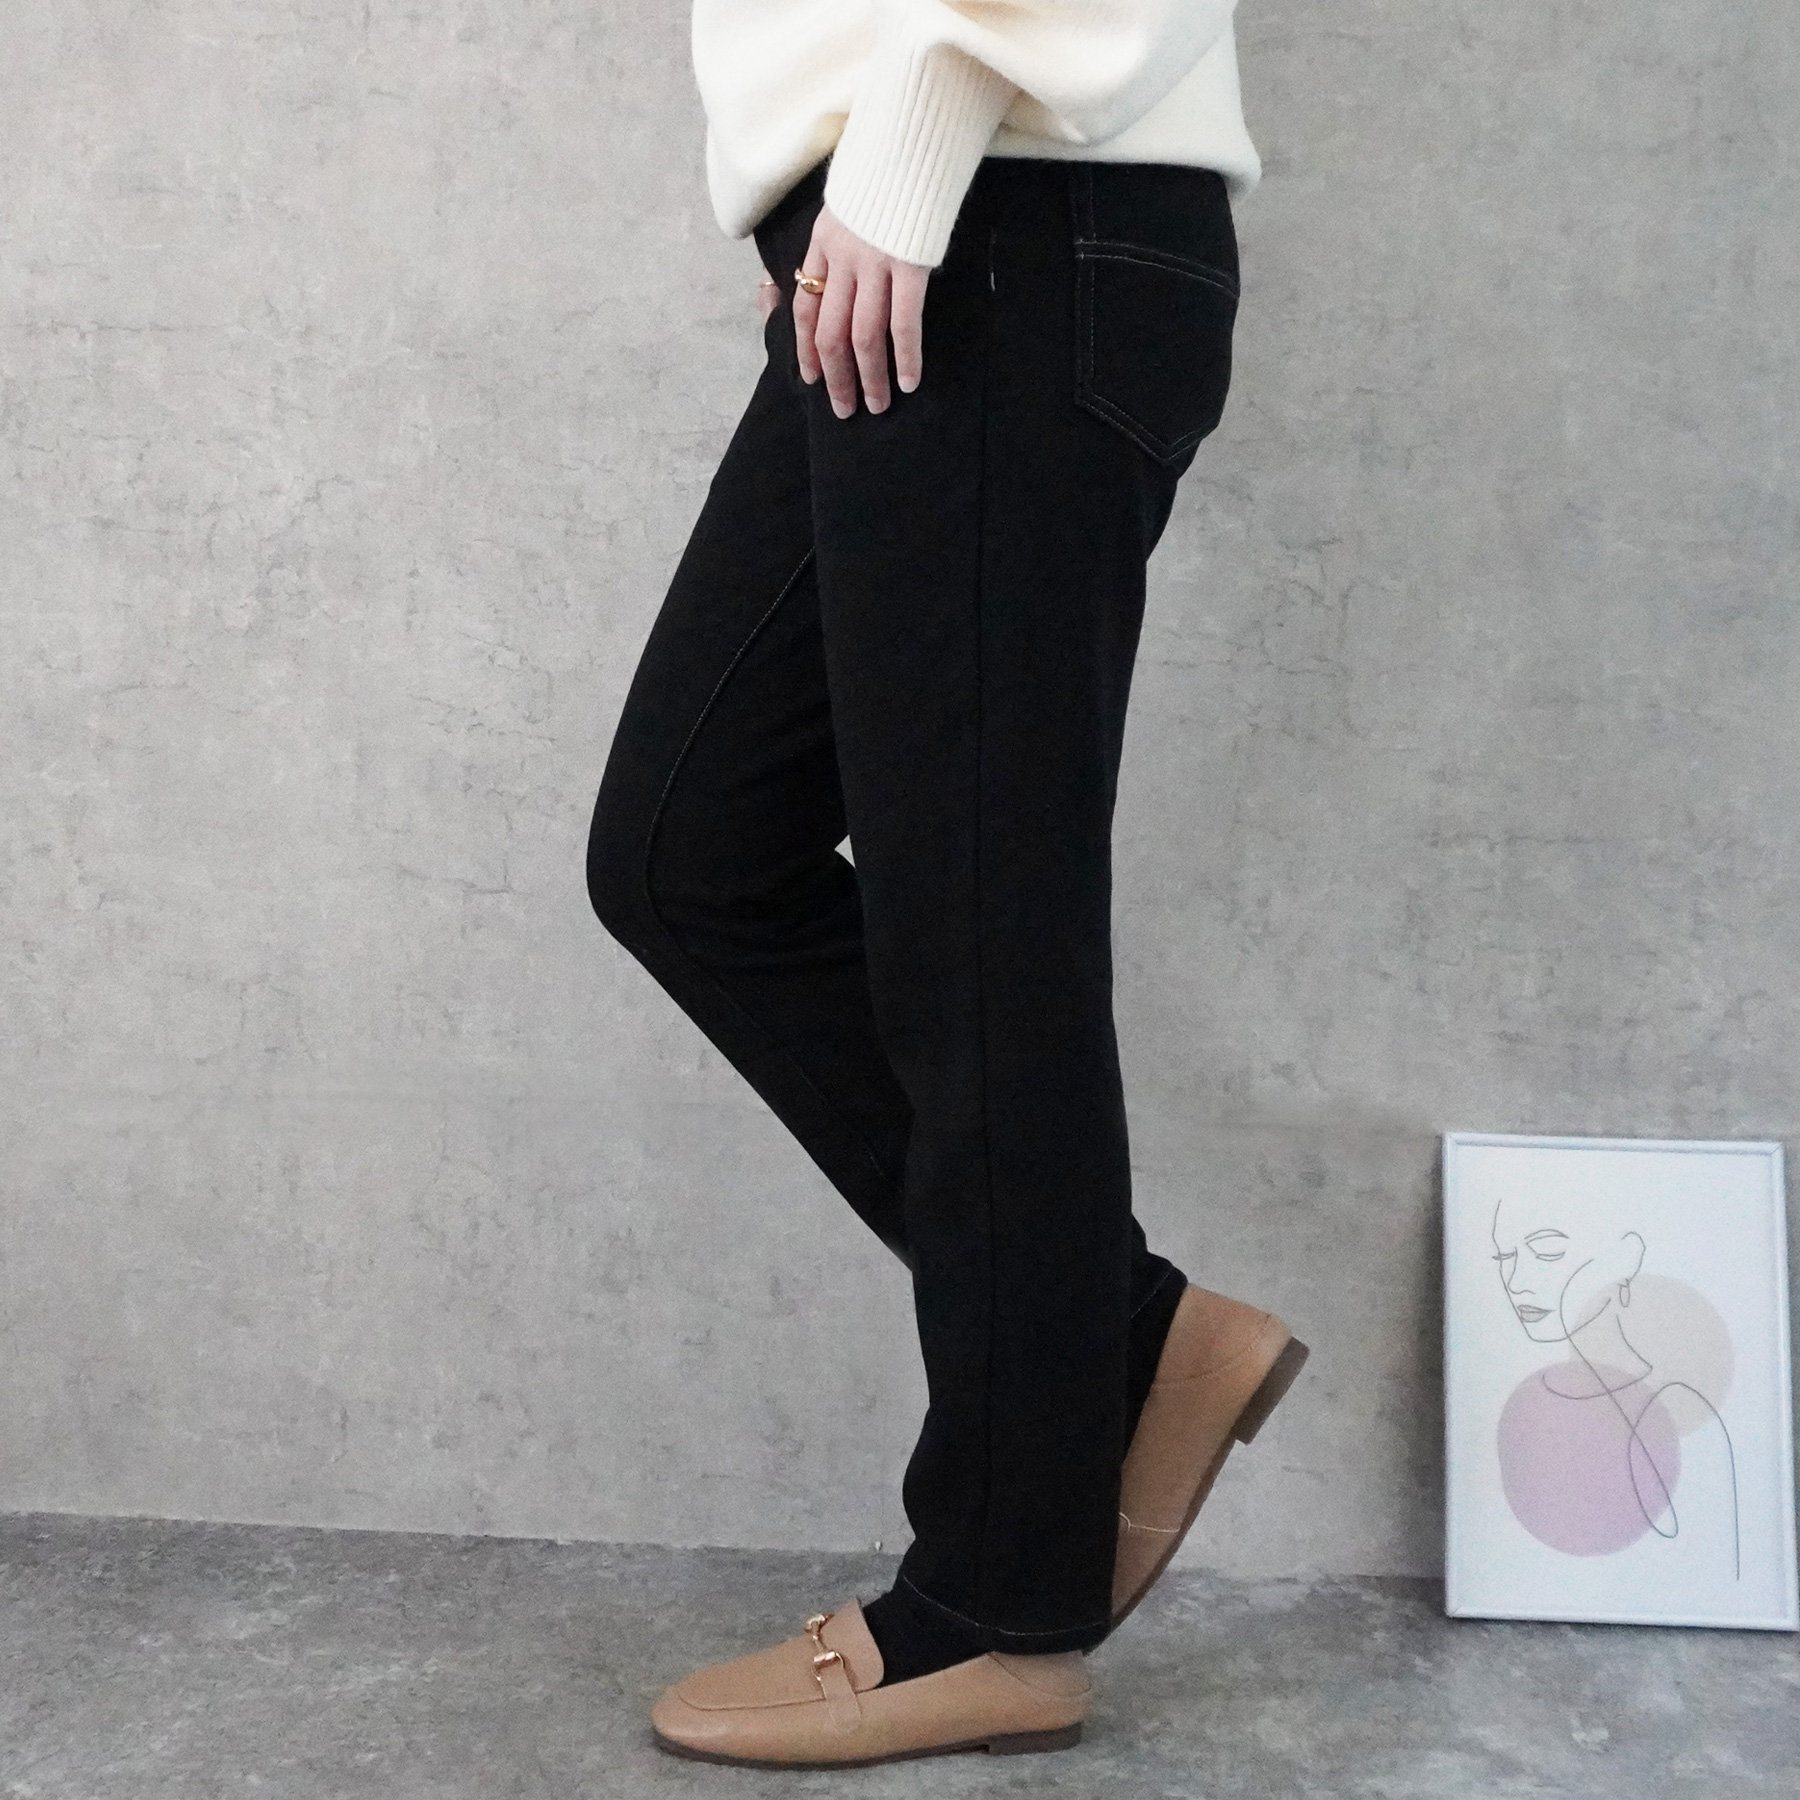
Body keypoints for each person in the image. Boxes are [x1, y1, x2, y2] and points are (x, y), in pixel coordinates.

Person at [587, 0, 1310, 1766]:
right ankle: (1120, 1339)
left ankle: (1003, 1603)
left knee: (980, 933)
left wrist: (906, 144)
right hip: (917, 236)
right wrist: (840, 190)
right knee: (690, 855)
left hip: (1007, 214)